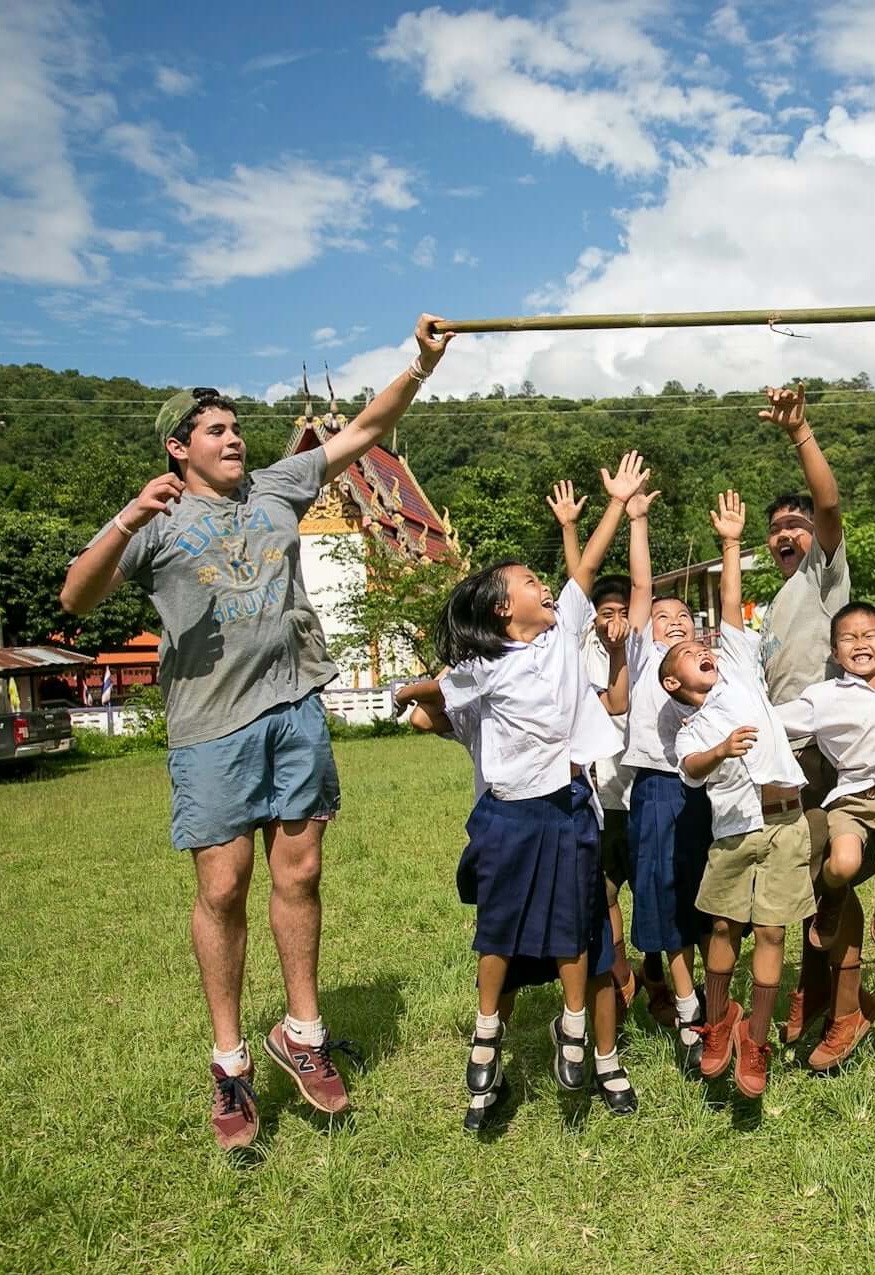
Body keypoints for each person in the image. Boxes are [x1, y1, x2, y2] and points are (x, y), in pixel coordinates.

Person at [58, 314, 453, 1151]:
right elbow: (76, 597)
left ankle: (301, 1036)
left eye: (237, 426)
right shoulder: (155, 521)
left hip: (295, 706)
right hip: (209, 727)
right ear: (178, 446)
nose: (234, 438)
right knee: (223, 886)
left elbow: (368, 430)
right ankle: (230, 1063)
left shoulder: (279, 487)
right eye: (216, 430)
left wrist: (418, 364)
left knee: (300, 871)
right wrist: (129, 517)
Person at [426, 451, 649, 1126]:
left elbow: (581, 570)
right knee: (501, 932)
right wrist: (415, 693)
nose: (545, 586)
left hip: (569, 807)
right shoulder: (482, 668)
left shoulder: (561, 638)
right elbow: (430, 697)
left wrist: (613, 504)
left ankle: (576, 1026)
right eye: (529, 582)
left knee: (576, 927)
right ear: (502, 607)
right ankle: (488, 1030)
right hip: (505, 817)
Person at [659, 491, 814, 1098]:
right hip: (733, 835)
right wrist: (722, 749)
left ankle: (755, 1036)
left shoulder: (742, 670)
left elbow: (728, 607)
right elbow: (692, 769)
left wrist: (730, 544)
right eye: (692, 656)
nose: (705, 651)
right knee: (723, 926)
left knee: (773, 932)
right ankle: (718, 1021)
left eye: (707, 647)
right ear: (675, 681)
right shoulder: (691, 726)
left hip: (784, 823)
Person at [775, 600, 875, 1071]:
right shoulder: (824, 697)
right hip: (850, 798)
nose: (860, 644)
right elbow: (774, 720)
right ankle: (834, 901)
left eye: (870, 637)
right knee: (839, 866)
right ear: (834, 651)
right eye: (848, 638)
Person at [752, 383, 857, 1047]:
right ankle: (816, 990)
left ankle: (831, 1001)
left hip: (822, 751)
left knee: (827, 879)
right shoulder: (775, 602)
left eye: (795, 526)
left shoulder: (823, 576)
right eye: (777, 529)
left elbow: (828, 502)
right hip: (781, 756)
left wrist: (800, 434)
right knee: (791, 877)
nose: (787, 533)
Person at [621, 474, 717, 1073]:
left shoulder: (713, 666)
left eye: (684, 614)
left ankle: (717, 1005)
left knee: (713, 903)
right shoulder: (642, 657)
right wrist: (636, 521)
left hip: (710, 793)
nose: (674, 621)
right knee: (663, 902)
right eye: (663, 617)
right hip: (658, 790)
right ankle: (686, 1008)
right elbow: (638, 587)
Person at [553, 481, 641, 1013]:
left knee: (654, 889)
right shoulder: (579, 646)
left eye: (620, 611)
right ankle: (620, 968)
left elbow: (622, 700)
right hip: (597, 794)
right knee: (604, 892)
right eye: (603, 613)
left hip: (641, 790)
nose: (612, 621)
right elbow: (576, 585)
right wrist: (569, 528)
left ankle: (655, 976)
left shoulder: (645, 649)